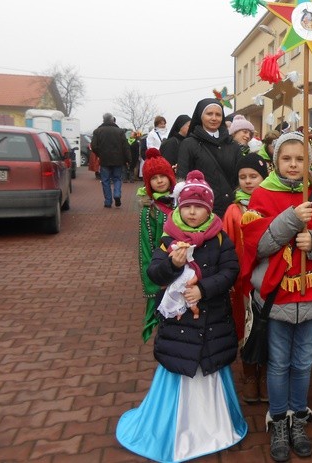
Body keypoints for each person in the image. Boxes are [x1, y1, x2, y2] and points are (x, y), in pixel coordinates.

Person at [116, 170, 247, 461]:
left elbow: (230, 272)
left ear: (209, 208)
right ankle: (177, 428)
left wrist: (203, 288)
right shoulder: (169, 238)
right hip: (180, 326)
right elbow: (155, 272)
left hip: (212, 322)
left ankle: (215, 425)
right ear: (178, 207)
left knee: (209, 369)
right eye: (186, 205)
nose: (192, 211)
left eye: (198, 206)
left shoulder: (220, 238)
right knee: (181, 367)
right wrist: (172, 266)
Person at [240, 132, 312, 462]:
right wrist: (291, 219)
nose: (294, 165)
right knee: (278, 363)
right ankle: (278, 421)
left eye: (300, 159)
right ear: (276, 161)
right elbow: (257, 246)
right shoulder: (261, 194)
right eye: (287, 159)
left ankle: (298, 419)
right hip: (278, 299)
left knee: (303, 362)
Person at [221, 153, 270, 404]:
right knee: (247, 328)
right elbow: (226, 246)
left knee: (268, 328)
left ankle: (267, 374)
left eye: (254, 176)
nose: (248, 181)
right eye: (243, 177)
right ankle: (250, 373)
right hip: (243, 282)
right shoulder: (233, 210)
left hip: (270, 278)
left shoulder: (272, 203)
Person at [176, 98, 243, 218]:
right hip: (201, 210)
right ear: (200, 116)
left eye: (218, 114)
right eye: (209, 114)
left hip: (230, 209)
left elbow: (239, 178)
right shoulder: (189, 144)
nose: (214, 118)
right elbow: (183, 178)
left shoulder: (233, 146)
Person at [136, 148, 176, 343]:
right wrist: (153, 282)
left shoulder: (181, 202)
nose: (160, 181)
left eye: (163, 176)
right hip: (164, 271)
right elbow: (146, 247)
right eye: (154, 178)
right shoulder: (149, 211)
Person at [91, 112, 131, 208]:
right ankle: (117, 194)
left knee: (105, 180)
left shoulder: (97, 131)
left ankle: (108, 201)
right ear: (112, 120)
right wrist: (128, 159)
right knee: (117, 178)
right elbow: (125, 147)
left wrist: (99, 154)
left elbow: (93, 146)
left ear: (103, 120)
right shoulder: (120, 131)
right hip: (118, 160)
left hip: (104, 160)